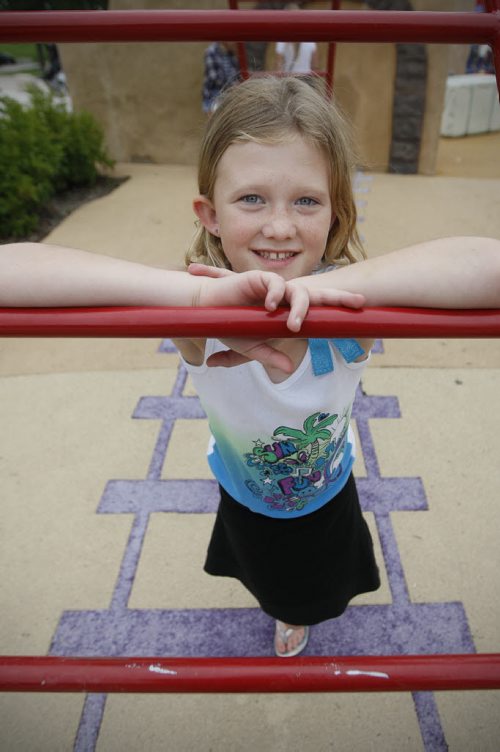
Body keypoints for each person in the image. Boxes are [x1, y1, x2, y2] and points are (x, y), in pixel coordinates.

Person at [1, 77, 499, 658]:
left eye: (307, 201)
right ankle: (281, 608)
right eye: (251, 199)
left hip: (327, 492)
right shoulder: (197, 315)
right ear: (209, 214)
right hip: (246, 495)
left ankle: (297, 612)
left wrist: (326, 287)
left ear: (336, 213)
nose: (280, 226)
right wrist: (188, 298)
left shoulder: (349, 316)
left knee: (318, 584)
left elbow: (488, 264)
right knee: (265, 574)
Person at [275, 3, 319, 75]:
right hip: (306, 80)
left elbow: (278, 66)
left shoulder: (282, 38)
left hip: (289, 81)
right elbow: (315, 65)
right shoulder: (309, 36)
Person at [201, 41, 240, 115]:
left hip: (229, 93)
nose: (235, 43)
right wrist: (233, 85)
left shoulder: (230, 53)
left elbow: (236, 73)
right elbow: (215, 78)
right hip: (214, 95)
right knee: (218, 120)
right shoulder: (211, 52)